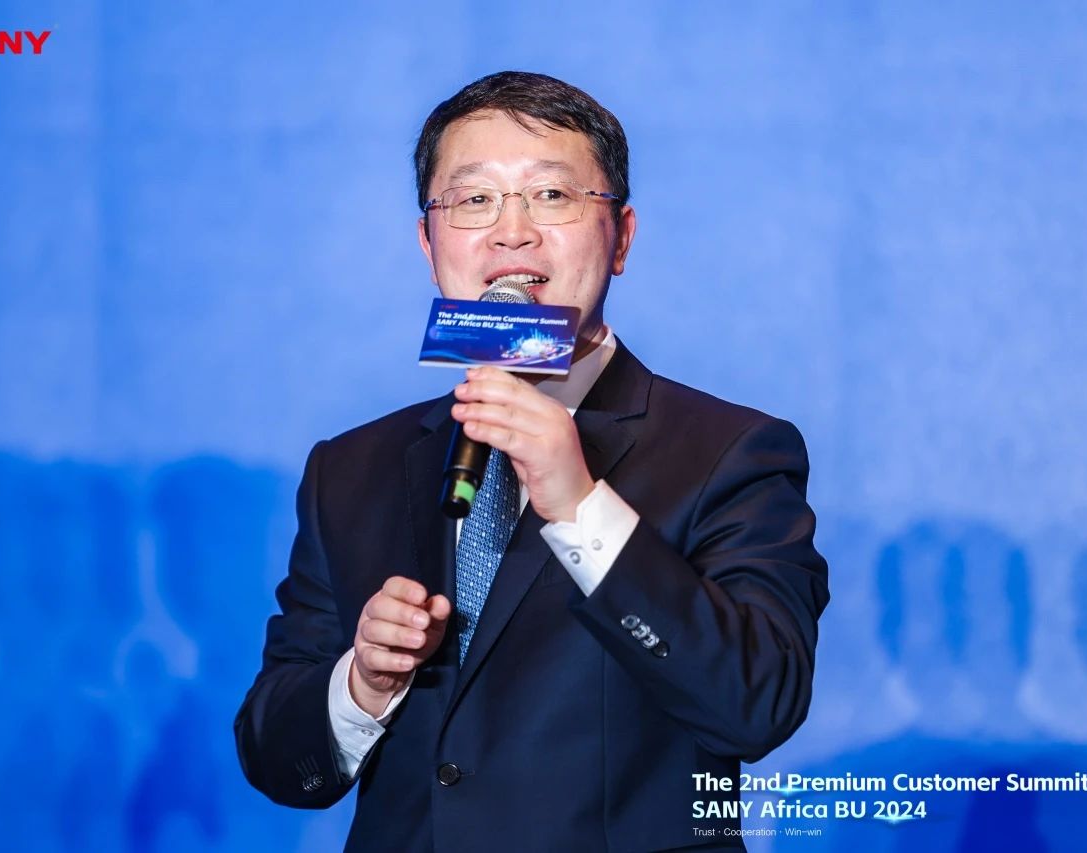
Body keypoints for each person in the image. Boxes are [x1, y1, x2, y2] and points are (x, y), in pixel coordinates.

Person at [235, 70, 830, 852]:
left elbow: (757, 704)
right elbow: (277, 760)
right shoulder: (350, 468)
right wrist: (362, 684)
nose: (511, 232)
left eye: (551, 195)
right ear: (429, 244)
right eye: (474, 198)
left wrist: (581, 506)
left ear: (621, 237)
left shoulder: (731, 451)